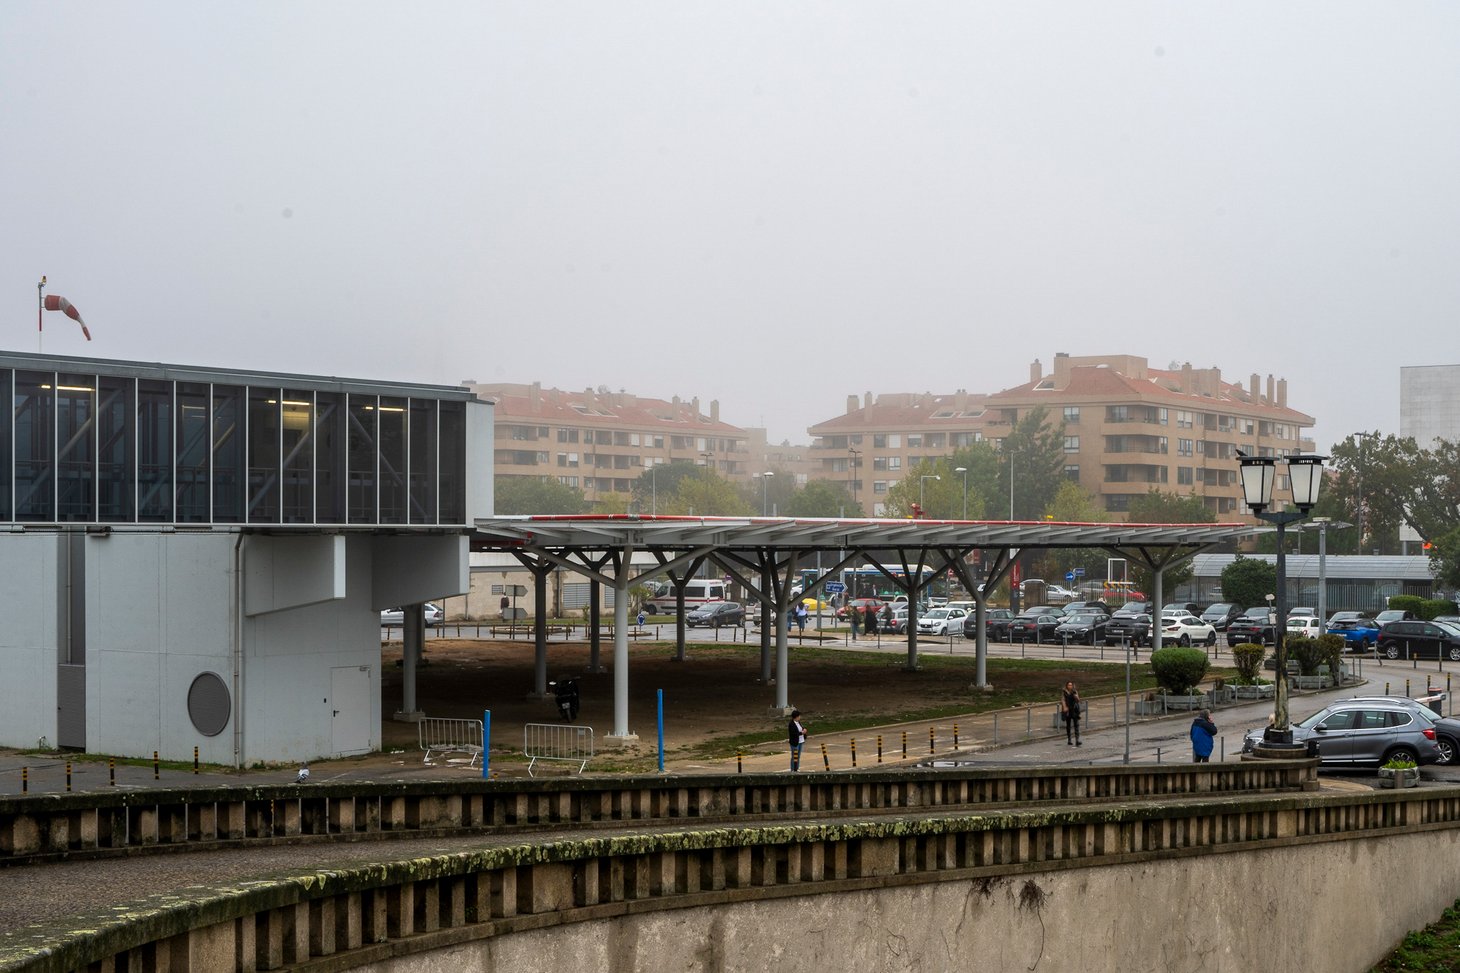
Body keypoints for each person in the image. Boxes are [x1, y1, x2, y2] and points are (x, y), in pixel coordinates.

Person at [1061, 680, 1082, 746]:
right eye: (1069, 685)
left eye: (1071, 685)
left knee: (1076, 725)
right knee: (1068, 725)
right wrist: (1064, 707)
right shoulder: (1064, 692)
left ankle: (1077, 740)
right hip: (1068, 710)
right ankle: (1069, 739)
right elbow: (1063, 700)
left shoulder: (1074, 691)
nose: (1070, 686)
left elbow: (1078, 700)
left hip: (1074, 709)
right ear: (1066, 686)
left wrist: (1076, 697)